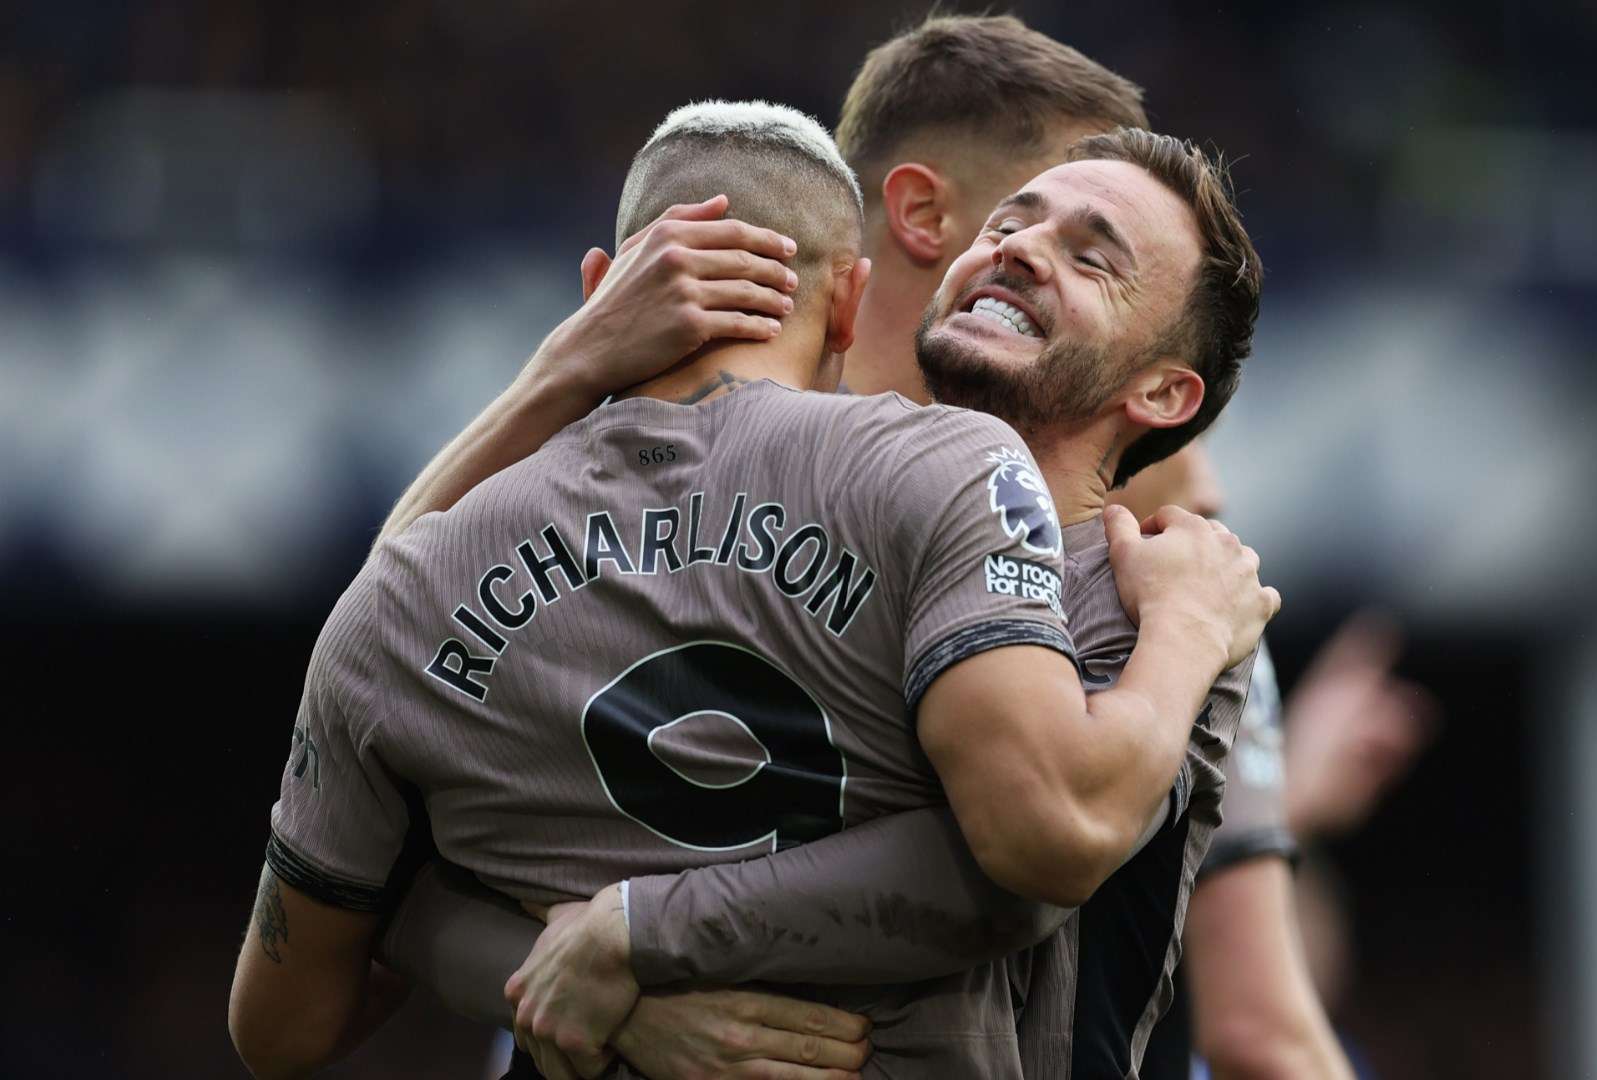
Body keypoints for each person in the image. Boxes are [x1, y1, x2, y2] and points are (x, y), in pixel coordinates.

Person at [380, 15, 1356, 1080]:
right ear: (928, 216)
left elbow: (1050, 859)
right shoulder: (678, 495)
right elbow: (381, 740)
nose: (1029, 246)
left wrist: (634, 938)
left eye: (1096, 248)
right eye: (1029, 208)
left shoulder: (1169, 577)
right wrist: (607, 993)